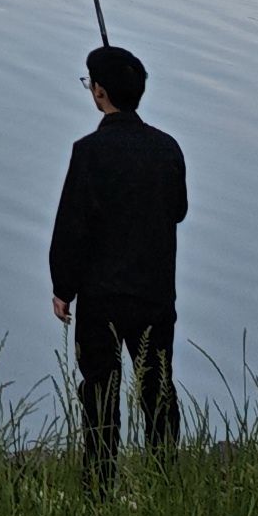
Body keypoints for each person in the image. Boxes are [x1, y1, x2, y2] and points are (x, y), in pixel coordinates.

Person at [50, 44, 188, 483]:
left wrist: (63, 288)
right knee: (157, 387)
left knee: (100, 390)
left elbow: (72, 226)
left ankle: (99, 485)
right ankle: (164, 478)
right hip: (154, 294)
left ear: (100, 93)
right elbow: (179, 210)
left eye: (91, 84)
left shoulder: (88, 152)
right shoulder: (168, 148)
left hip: (102, 297)